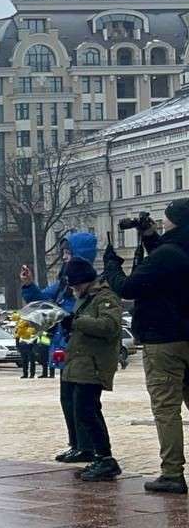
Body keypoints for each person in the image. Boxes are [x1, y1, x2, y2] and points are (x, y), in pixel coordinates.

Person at [104, 199, 189, 494]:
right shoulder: (176, 250)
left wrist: (111, 267)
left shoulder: (166, 254)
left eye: (165, 220)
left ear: (175, 221)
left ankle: (172, 473)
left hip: (164, 340)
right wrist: (151, 238)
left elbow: (127, 287)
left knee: (166, 408)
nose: (162, 224)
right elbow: (170, 263)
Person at [22, 232, 98, 459]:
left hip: (82, 352)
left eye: (68, 253)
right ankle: (76, 443)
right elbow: (41, 301)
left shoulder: (90, 286)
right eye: (63, 253)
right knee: (67, 399)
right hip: (64, 348)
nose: (64, 257)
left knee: (82, 401)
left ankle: (88, 446)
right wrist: (29, 284)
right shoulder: (64, 285)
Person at [58, 257, 123, 481]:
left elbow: (110, 326)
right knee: (82, 411)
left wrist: (75, 322)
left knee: (88, 411)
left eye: (76, 284)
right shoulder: (85, 298)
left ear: (86, 281)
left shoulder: (105, 297)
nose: (74, 289)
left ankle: (105, 458)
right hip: (79, 364)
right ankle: (97, 455)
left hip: (93, 366)